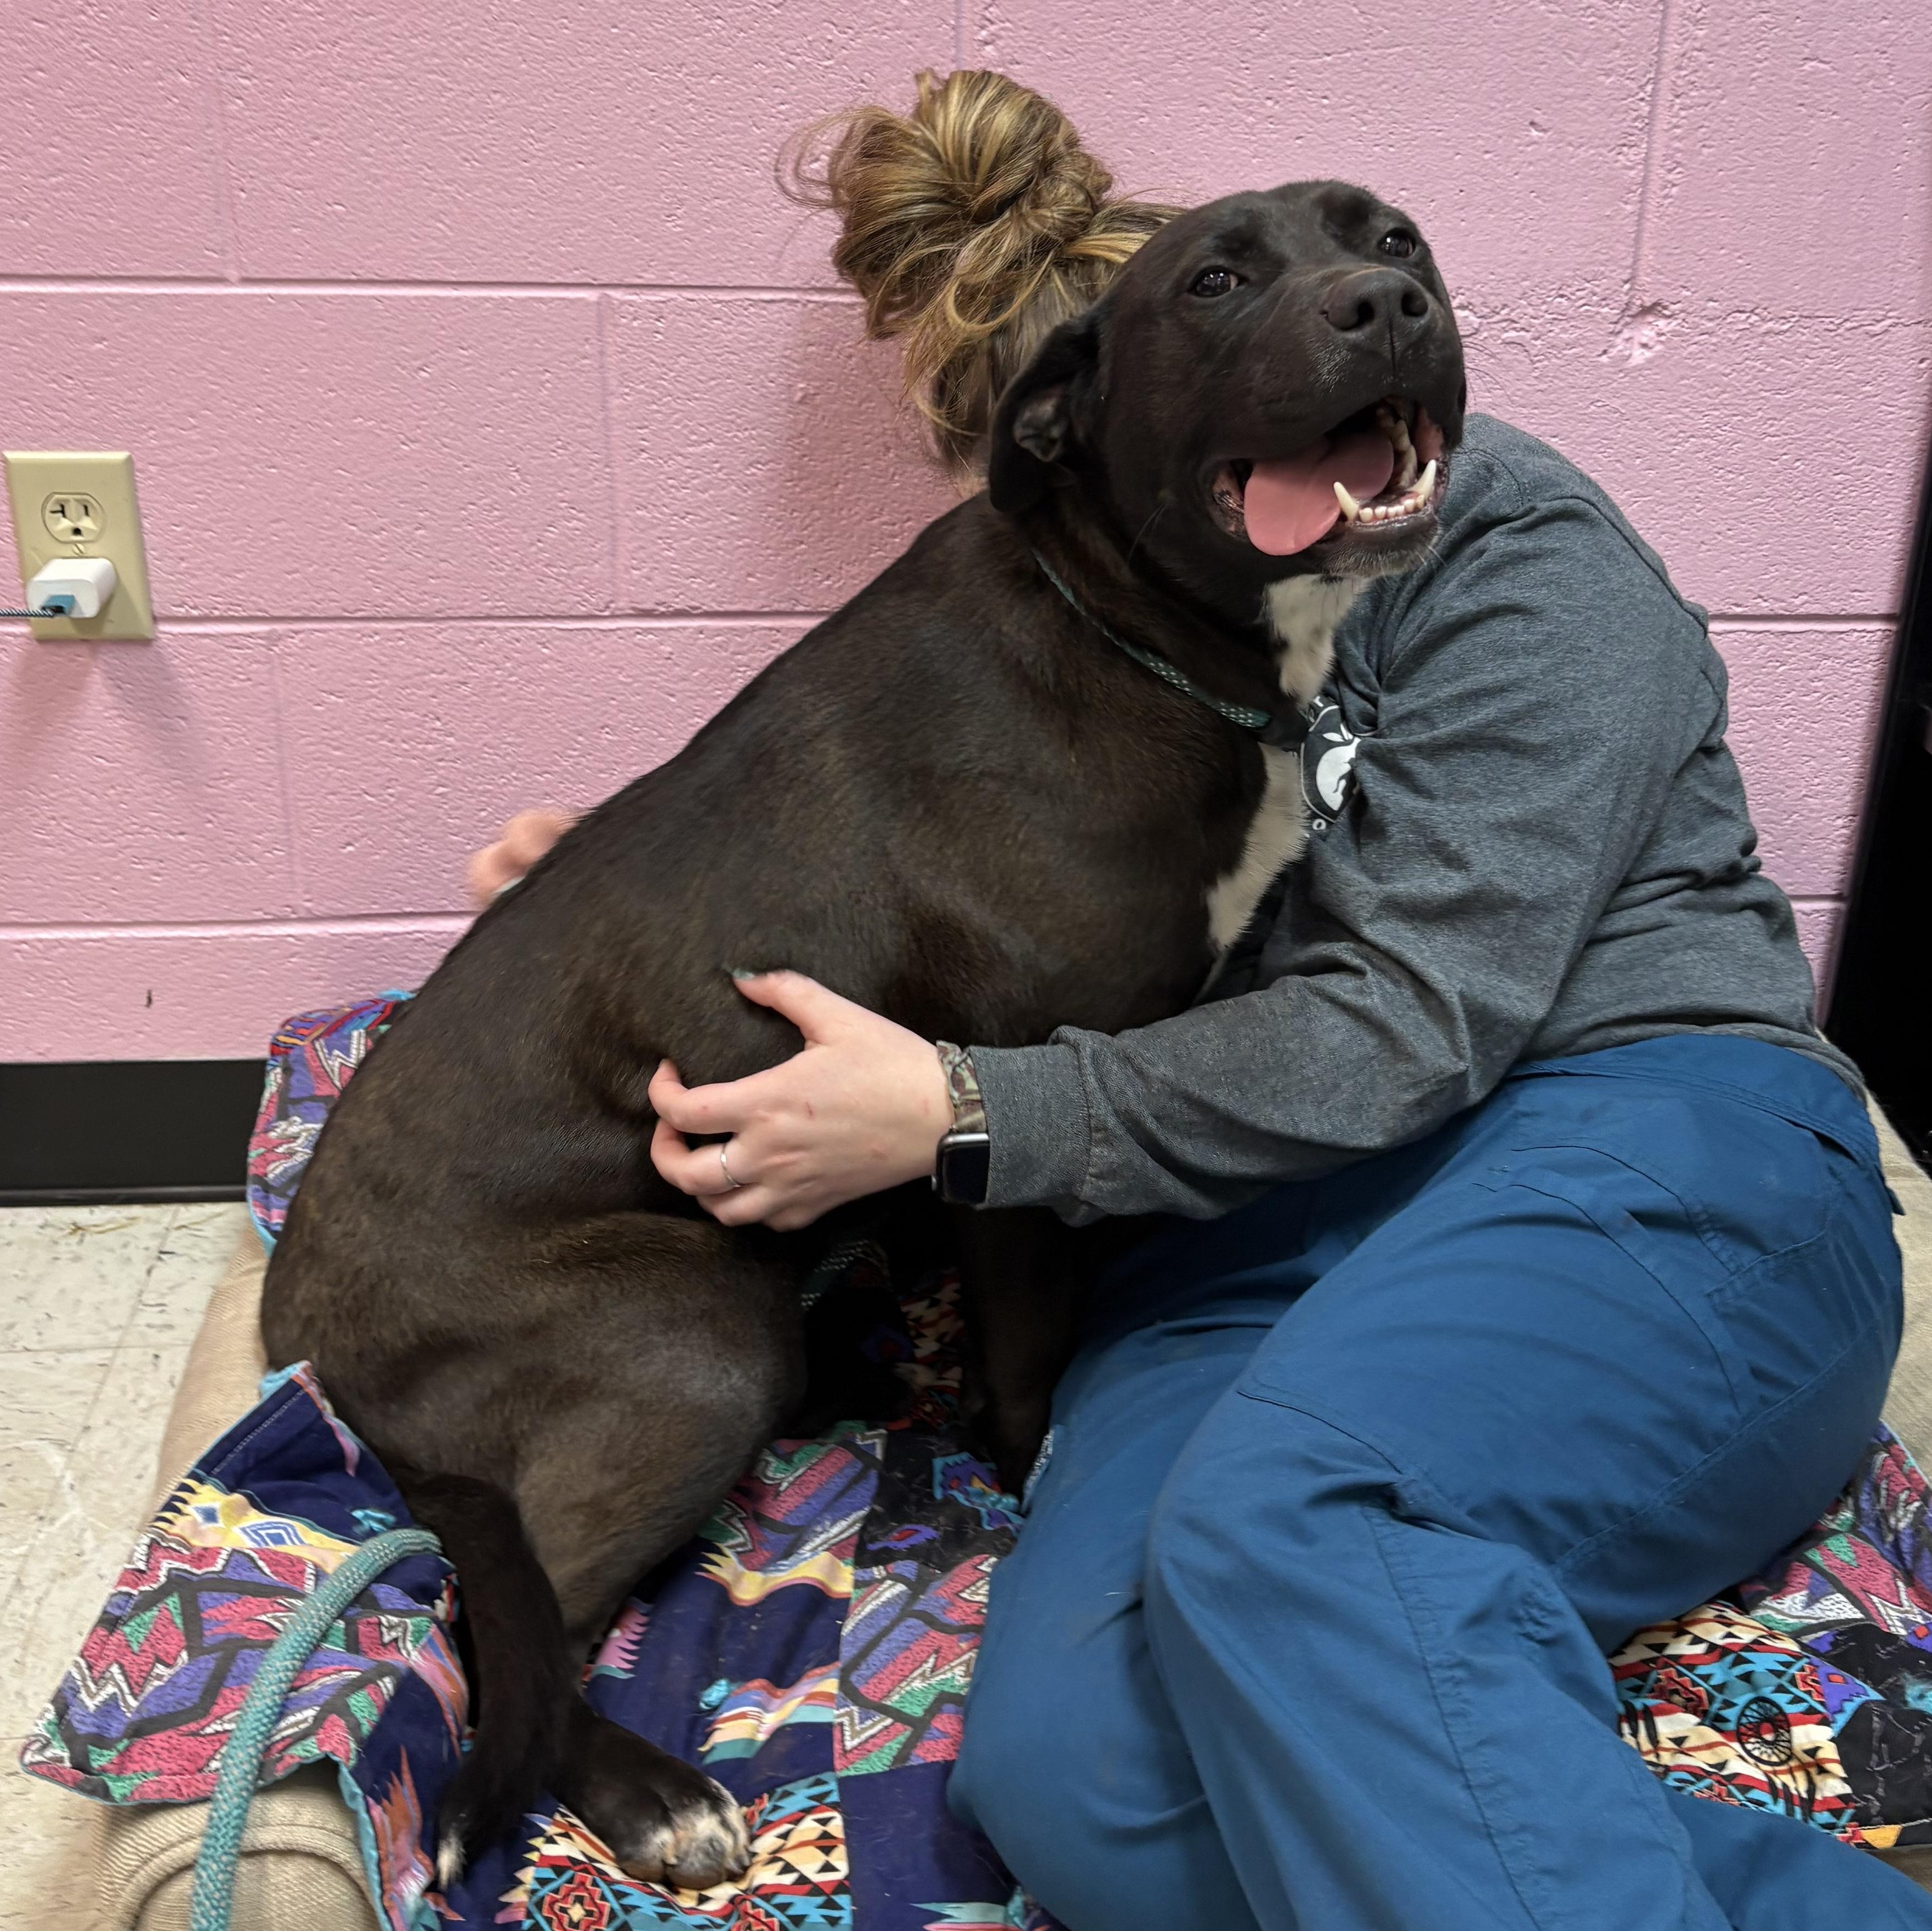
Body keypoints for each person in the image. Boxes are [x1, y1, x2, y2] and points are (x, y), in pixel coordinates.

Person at [469, 70, 1925, 1931]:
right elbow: (920, 871)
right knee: (1069, 1775)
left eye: (1369, 299)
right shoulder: (1069, 623)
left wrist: (968, 1115)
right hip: (1227, 1242)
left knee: (1295, 1531)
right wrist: (626, 889)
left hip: (1637, 1138)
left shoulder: (1512, 550)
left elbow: (1404, 1019)